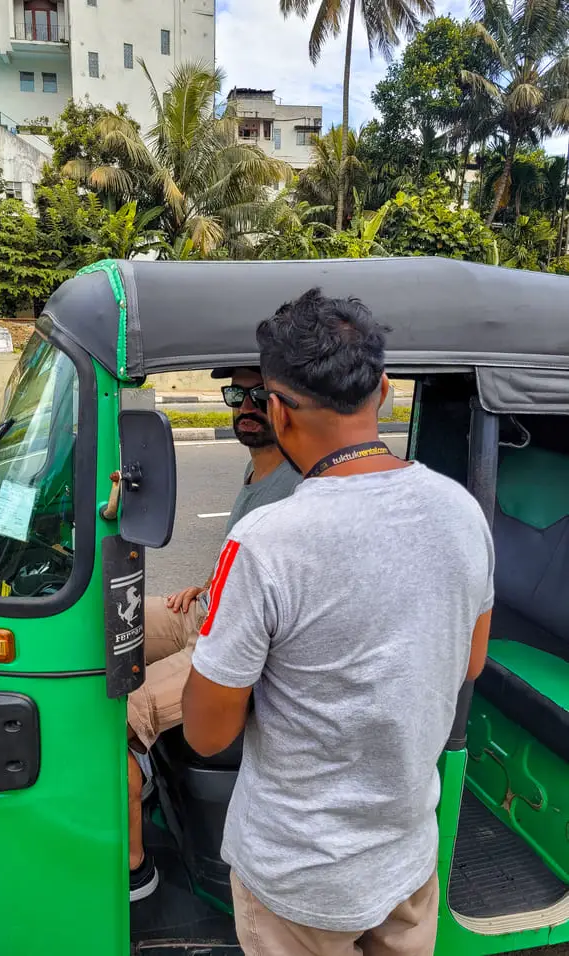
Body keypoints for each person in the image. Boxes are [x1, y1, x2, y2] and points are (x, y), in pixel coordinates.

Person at [183, 290, 495, 956]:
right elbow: (467, 663)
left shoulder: (267, 539)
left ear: (272, 405)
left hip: (297, 877)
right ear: (382, 390)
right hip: (407, 857)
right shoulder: (460, 509)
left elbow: (208, 733)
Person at [128, 365, 302, 902]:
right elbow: (249, 559)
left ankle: (134, 868)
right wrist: (206, 585)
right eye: (236, 394)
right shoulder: (257, 473)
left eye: (259, 394)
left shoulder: (298, 486)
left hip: (235, 643)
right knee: (116, 627)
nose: (245, 406)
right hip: (207, 612)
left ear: (284, 404)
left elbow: (280, 595)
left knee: (116, 704)